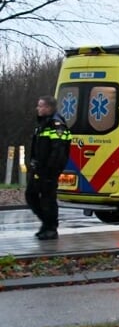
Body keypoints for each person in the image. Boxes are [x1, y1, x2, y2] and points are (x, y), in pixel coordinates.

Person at [26, 95, 72, 240]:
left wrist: (50, 170)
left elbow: (58, 151)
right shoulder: (42, 124)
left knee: (48, 199)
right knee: (31, 195)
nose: (37, 108)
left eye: (40, 106)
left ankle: (51, 228)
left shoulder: (56, 125)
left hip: (49, 170)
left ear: (48, 108)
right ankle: (47, 224)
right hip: (39, 168)